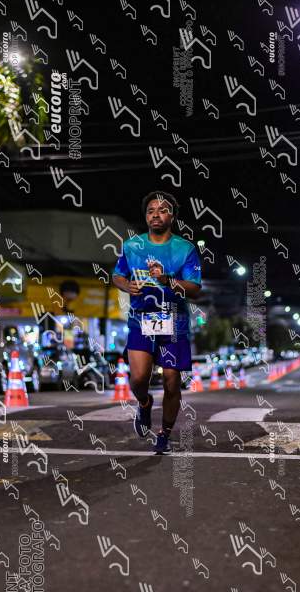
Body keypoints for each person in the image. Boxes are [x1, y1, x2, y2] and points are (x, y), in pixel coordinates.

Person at [112, 191, 202, 454]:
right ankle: (144, 403)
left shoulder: (185, 249)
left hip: (174, 319)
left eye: (162, 210)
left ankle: (165, 433)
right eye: (151, 210)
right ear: (146, 216)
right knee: (139, 378)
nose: (156, 215)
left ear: (172, 216)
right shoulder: (132, 246)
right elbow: (117, 275)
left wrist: (167, 281)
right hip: (141, 318)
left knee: (172, 381)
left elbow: (195, 289)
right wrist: (126, 286)